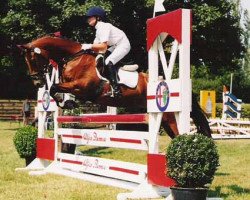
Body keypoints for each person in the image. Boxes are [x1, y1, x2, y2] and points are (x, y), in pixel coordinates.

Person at [82, 6, 131, 97]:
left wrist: (89, 46)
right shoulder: (98, 30)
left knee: (108, 62)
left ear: (98, 18)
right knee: (99, 60)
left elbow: (103, 46)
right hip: (115, 46)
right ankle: (108, 85)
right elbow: (96, 47)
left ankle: (116, 90)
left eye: (90, 17)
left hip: (123, 44)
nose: (88, 19)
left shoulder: (103, 27)